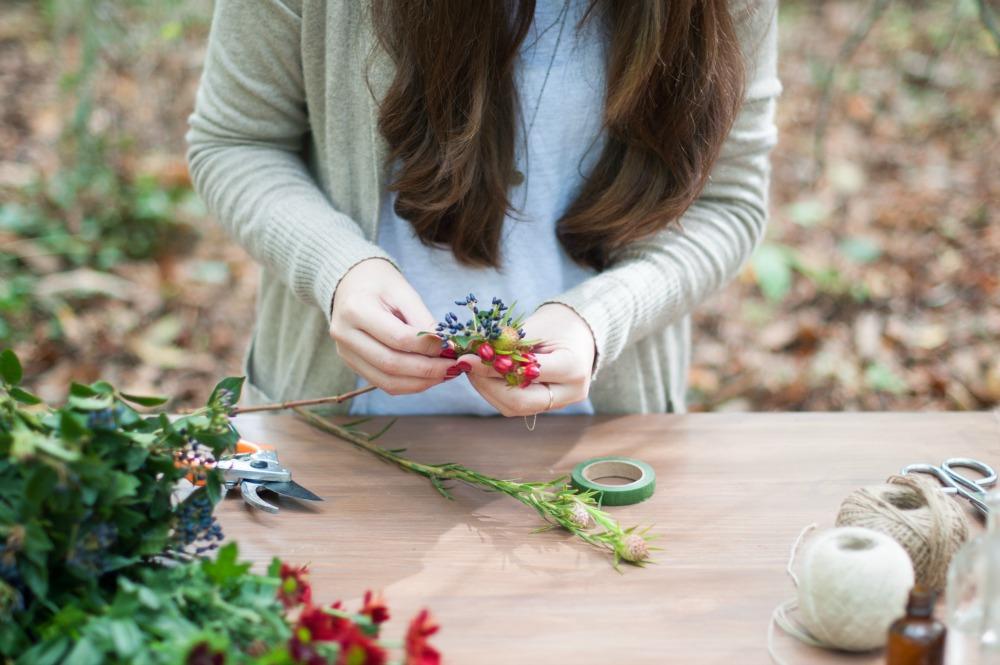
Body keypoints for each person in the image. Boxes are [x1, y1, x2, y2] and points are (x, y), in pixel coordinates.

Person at [186, 0, 780, 417]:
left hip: (601, 456)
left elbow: (725, 202)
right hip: (333, 437)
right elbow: (237, 142)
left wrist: (602, 319)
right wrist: (337, 268)